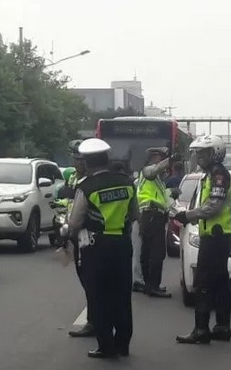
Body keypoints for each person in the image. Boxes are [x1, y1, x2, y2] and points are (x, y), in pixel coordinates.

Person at [68, 138, 138, 359]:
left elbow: (75, 223)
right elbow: (135, 214)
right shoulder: (126, 182)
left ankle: (106, 346)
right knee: (121, 296)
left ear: (88, 163)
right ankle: (123, 344)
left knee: (99, 298)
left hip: (96, 248)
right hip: (122, 245)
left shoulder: (86, 186)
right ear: (107, 159)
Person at [174, 135, 231, 344]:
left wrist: (187, 216)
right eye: (197, 153)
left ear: (215, 153)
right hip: (216, 235)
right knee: (219, 282)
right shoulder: (208, 175)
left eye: (203, 153)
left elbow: (213, 206)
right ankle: (222, 327)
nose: (199, 157)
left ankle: (201, 330)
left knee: (204, 283)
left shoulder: (218, 175)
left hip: (215, 237)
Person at [64, 139, 96, 339]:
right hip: (74, 233)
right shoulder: (73, 178)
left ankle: (94, 321)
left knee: (89, 278)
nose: (77, 163)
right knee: (83, 276)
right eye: (75, 159)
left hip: (88, 234)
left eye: (81, 160)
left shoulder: (92, 181)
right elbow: (69, 203)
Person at [138, 147, 177, 298]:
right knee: (156, 252)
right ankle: (153, 286)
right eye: (159, 158)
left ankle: (150, 285)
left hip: (152, 216)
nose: (161, 161)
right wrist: (170, 160)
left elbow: (162, 198)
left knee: (148, 252)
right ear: (152, 158)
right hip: (152, 215)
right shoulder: (148, 172)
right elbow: (153, 171)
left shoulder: (157, 180)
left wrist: (171, 194)